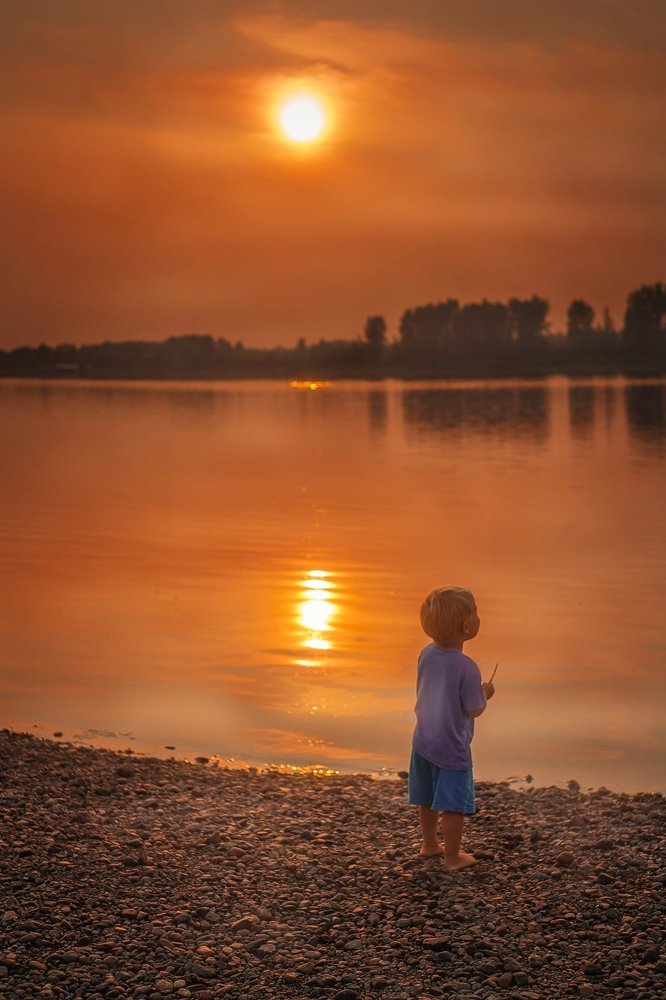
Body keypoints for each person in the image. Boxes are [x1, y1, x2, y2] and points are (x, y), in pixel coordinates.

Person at [408, 586, 494, 871]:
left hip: (423, 738)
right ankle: (452, 857)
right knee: (453, 804)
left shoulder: (427, 653)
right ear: (467, 626)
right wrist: (485, 693)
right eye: (476, 613)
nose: (478, 617)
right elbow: (474, 708)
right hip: (451, 745)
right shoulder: (467, 668)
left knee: (427, 795)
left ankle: (430, 844)